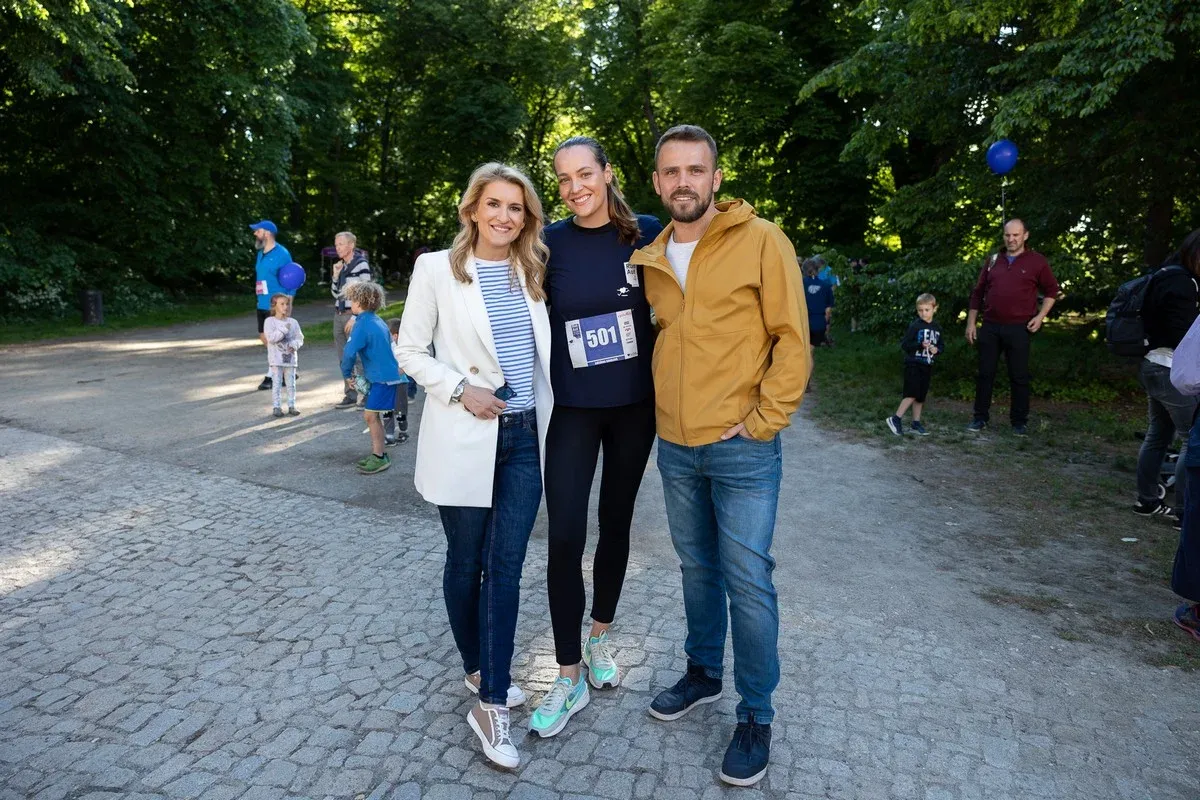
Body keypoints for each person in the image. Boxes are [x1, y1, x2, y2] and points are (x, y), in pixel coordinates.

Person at [628, 124, 810, 788]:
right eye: (672, 171)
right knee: (696, 569)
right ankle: (703, 673)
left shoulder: (761, 240)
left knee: (748, 580)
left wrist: (764, 421)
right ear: (657, 182)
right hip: (676, 447)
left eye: (695, 170)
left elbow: (792, 339)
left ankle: (756, 713)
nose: (684, 182)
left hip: (742, 450)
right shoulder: (650, 259)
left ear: (716, 177)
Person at [393, 162, 553, 770]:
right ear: (472, 209)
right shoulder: (437, 268)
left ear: (526, 217)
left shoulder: (532, 270)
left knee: (505, 566)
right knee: (466, 563)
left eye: (516, 207)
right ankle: (479, 669)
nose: (504, 217)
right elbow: (409, 351)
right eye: (494, 204)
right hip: (466, 434)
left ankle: (491, 703)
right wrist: (462, 389)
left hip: (524, 440)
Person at [527, 136, 663, 739]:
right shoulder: (546, 243)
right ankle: (567, 674)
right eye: (563, 178)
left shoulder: (648, 233)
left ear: (607, 174)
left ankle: (600, 635)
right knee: (564, 536)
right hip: (572, 410)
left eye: (585, 173)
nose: (575, 187)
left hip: (635, 407)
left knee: (616, 524)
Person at [966, 219, 1061, 435]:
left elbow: (1052, 291)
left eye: (1016, 235)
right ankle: (979, 418)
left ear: (1025, 235)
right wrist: (971, 323)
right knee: (985, 374)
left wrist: (1041, 316)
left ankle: (1019, 422)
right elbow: (977, 293)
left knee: (1019, 376)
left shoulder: (1037, 261)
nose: (1011, 239)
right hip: (990, 326)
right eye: (1007, 235)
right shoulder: (993, 260)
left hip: (1019, 327)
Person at [1137, 230, 1200, 522]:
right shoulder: (1184, 284)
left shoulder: (1163, 274)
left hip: (1152, 363)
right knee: (1191, 440)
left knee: (1157, 435)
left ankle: (1147, 500)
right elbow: (1184, 335)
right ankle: (1184, 512)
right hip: (1170, 368)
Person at [339, 281, 403, 475]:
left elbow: (349, 353)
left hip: (383, 378)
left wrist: (346, 374)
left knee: (370, 415)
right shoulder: (376, 320)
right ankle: (379, 454)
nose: (351, 303)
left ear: (359, 302)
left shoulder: (363, 324)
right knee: (373, 415)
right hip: (386, 376)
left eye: (352, 300)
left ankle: (379, 457)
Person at [886, 293, 943, 436]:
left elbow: (941, 345)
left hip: (927, 365)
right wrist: (919, 345)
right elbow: (905, 345)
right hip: (913, 364)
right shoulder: (915, 326)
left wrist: (937, 350)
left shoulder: (937, 328)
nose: (923, 313)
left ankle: (915, 423)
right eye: (920, 310)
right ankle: (895, 419)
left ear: (934, 308)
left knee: (920, 396)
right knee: (912, 393)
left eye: (927, 310)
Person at [250, 220, 293, 391]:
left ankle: (272, 374)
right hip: (262, 302)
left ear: (267, 233)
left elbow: (292, 278)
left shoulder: (282, 254)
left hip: (276, 303)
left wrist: (288, 303)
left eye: (257, 230)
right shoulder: (261, 253)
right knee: (264, 337)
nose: (255, 233)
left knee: (274, 340)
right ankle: (286, 368)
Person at [331, 231, 372, 409]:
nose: (337, 248)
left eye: (340, 244)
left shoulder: (361, 264)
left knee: (358, 358)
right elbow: (335, 294)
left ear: (351, 245)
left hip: (352, 316)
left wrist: (356, 317)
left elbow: (366, 292)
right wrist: (335, 275)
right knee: (344, 358)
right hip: (339, 315)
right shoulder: (341, 266)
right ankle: (350, 394)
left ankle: (366, 396)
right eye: (336, 244)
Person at [263, 293, 304, 417]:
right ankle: (277, 406)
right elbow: (271, 338)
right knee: (277, 383)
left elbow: (300, 338)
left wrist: (294, 344)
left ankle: (292, 405)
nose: (285, 307)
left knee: (291, 384)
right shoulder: (269, 321)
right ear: (274, 306)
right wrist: (283, 329)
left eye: (287, 304)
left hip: (290, 359)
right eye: (282, 304)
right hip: (276, 359)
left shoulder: (293, 322)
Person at [384, 317, 412, 446]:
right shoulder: (385, 347)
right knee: (387, 409)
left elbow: (404, 366)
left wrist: (399, 370)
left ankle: (403, 431)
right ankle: (389, 435)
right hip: (387, 383)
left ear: (395, 336)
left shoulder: (400, 350)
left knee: (400, 409)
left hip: (400, 382)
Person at [802, 257, 834, 347]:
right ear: (818, 269)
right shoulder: (826, 286)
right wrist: (825, 324)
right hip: (819, 323)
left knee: (805, 349)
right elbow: (828, 310)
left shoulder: (799, 284)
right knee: (812, 347)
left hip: (803, 323)